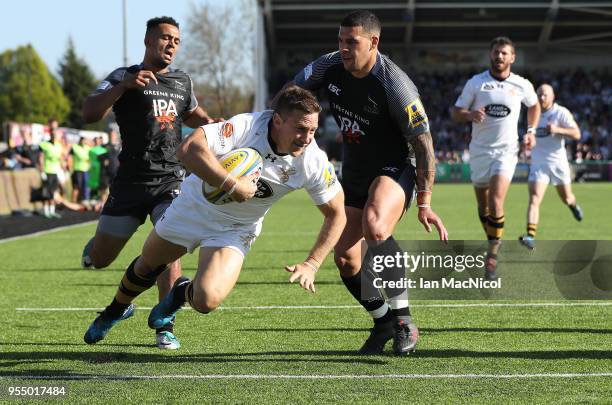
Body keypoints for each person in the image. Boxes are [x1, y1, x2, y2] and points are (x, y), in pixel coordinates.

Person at [83, 86, 346, 349]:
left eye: (312, 130)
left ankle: (179, 293)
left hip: (236, 228)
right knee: (147, 266)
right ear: (277, 120)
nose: (307, 138)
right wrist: (232, 184)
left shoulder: (312, 161)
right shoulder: (246, 126)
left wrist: (312, 263)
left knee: (207, 300)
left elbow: (337, 214)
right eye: (301, 128)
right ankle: (115, 310)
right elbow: (188, 148)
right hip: (193, 207)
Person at [290, 10, 447, 355]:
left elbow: (424, 144)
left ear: (373, 42)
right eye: (340, 40)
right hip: (355, 172)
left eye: (352, 42)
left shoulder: (396, 86)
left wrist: (425, 201)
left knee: (375, 227)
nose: (343, 48)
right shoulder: (327, 66)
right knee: (346, 259)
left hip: (394, 168)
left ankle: (404, 320)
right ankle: (382, 322)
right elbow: (290, 92)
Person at [80, 16, 216, 350]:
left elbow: (193, 113)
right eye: (165, 38)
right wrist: (123, 85)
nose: (171, 45)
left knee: (169, 242)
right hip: (129, 184)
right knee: (100, 259)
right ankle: (101, 259)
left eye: (176, 41)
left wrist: (216, 125)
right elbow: (89, 112)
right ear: (148, 40)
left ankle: (164, 324)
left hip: (169, 180)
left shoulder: (183, 81)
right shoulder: (123, 76)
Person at [452, 36, 540, 280]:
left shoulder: (521, 84)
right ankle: (494, 238)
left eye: (504, 53)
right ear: (490, 55)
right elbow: (456, 113)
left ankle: (492, 256)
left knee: (496, 201)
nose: (499, 56)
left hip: (507, 151)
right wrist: (470, 114)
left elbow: (534, 106)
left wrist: (531, 131)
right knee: (483, 206)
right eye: (496, 52)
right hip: (479, 150)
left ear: (512, 57)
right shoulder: (476, 83)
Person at [519, 84, 583, 250]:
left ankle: (573, 205)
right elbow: (530, 134)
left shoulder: (560, 113)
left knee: (567, 198)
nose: (541, 98)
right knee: (534, 198)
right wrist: (527, 139)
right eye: (539, 94)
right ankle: (530, 236)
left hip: (558, 163)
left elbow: (577, 134)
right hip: (539, 163)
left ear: (553, 96)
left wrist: (558, 129)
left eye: (545, 95)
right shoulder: (533, 113)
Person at [38, 119, 65, 219]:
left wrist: (63, 170)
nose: (54, 136)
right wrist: (42, 171)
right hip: (47, 171)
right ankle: (46, 211)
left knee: (54, 192)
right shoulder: (44, 145)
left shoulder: (59, 145)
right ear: (50, 135)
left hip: (55, 171)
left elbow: (60, 159)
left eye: (55, 135)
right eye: (52, 135)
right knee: (46, 193)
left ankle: (52, 211)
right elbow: (40, 159)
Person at [69, 137, 91, 204]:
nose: (83, 142)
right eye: (82, 140)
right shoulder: (74, 147)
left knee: (85, 186)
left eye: (84, 140)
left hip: (86, 170)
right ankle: (74, 201)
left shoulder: (88, 148)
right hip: (77, 170)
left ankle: (83, 201)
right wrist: (70, 168)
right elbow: (69, 157)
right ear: (79, 141)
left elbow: (90, 158)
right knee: (76, 186)